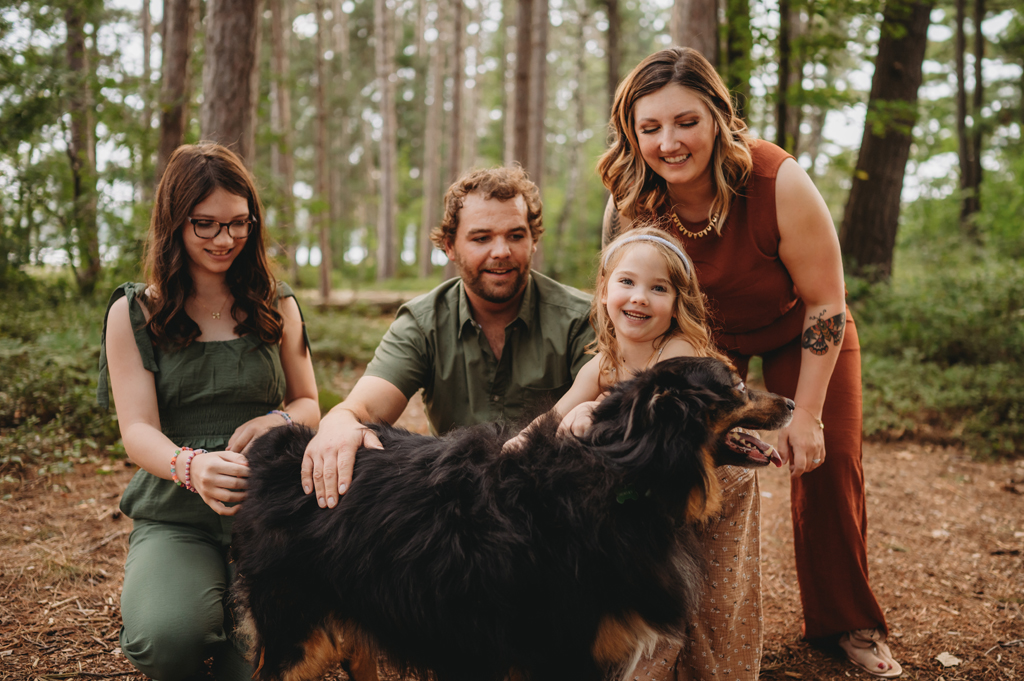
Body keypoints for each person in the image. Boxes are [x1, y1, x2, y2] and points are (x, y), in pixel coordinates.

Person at [597, 47, 901, 678]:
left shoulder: (775, 180)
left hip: (800, 328)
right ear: (632, 133)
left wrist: (808, 415)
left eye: (685, 121)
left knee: (830, 457)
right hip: (699, 341)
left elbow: (826, 303)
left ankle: (848, 620)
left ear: (717, 115)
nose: (669, 142)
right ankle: (660, 618)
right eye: (649, 128)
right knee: (665, 456)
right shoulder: (629, 197)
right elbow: (623, 302)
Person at [98, 143, 319, 681]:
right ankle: (192, 599)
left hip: (270, 513)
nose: (226, 240)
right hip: (178, 513)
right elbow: (137, 429)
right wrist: (192, 467)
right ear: (174, 223)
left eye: (239, 224)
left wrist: (280, 419)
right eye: (207, 225)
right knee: (168, 640)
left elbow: (310, 404)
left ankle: (229, 624)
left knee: (267, 658)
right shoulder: (135, 312)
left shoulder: (276, 303)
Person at [301, 165, 594, 509]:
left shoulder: (581, 318)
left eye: (515, 235)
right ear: (449, 246)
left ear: (533, 241)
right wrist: (338, 420)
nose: (501, 251)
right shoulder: (422, 322)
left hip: (560, 503)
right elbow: (362, 407)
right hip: (458, 504)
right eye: (481, 238)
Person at [503, 225, 732, 453]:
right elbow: (557, 413)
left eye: (659, 288)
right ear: (604, 291)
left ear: (676, 305)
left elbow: (653, 413)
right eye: (627, 282)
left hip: (704, 465)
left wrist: (594, 407)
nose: (640, 297)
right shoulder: (604, 365)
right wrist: (524, 438)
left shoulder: (678, 350)